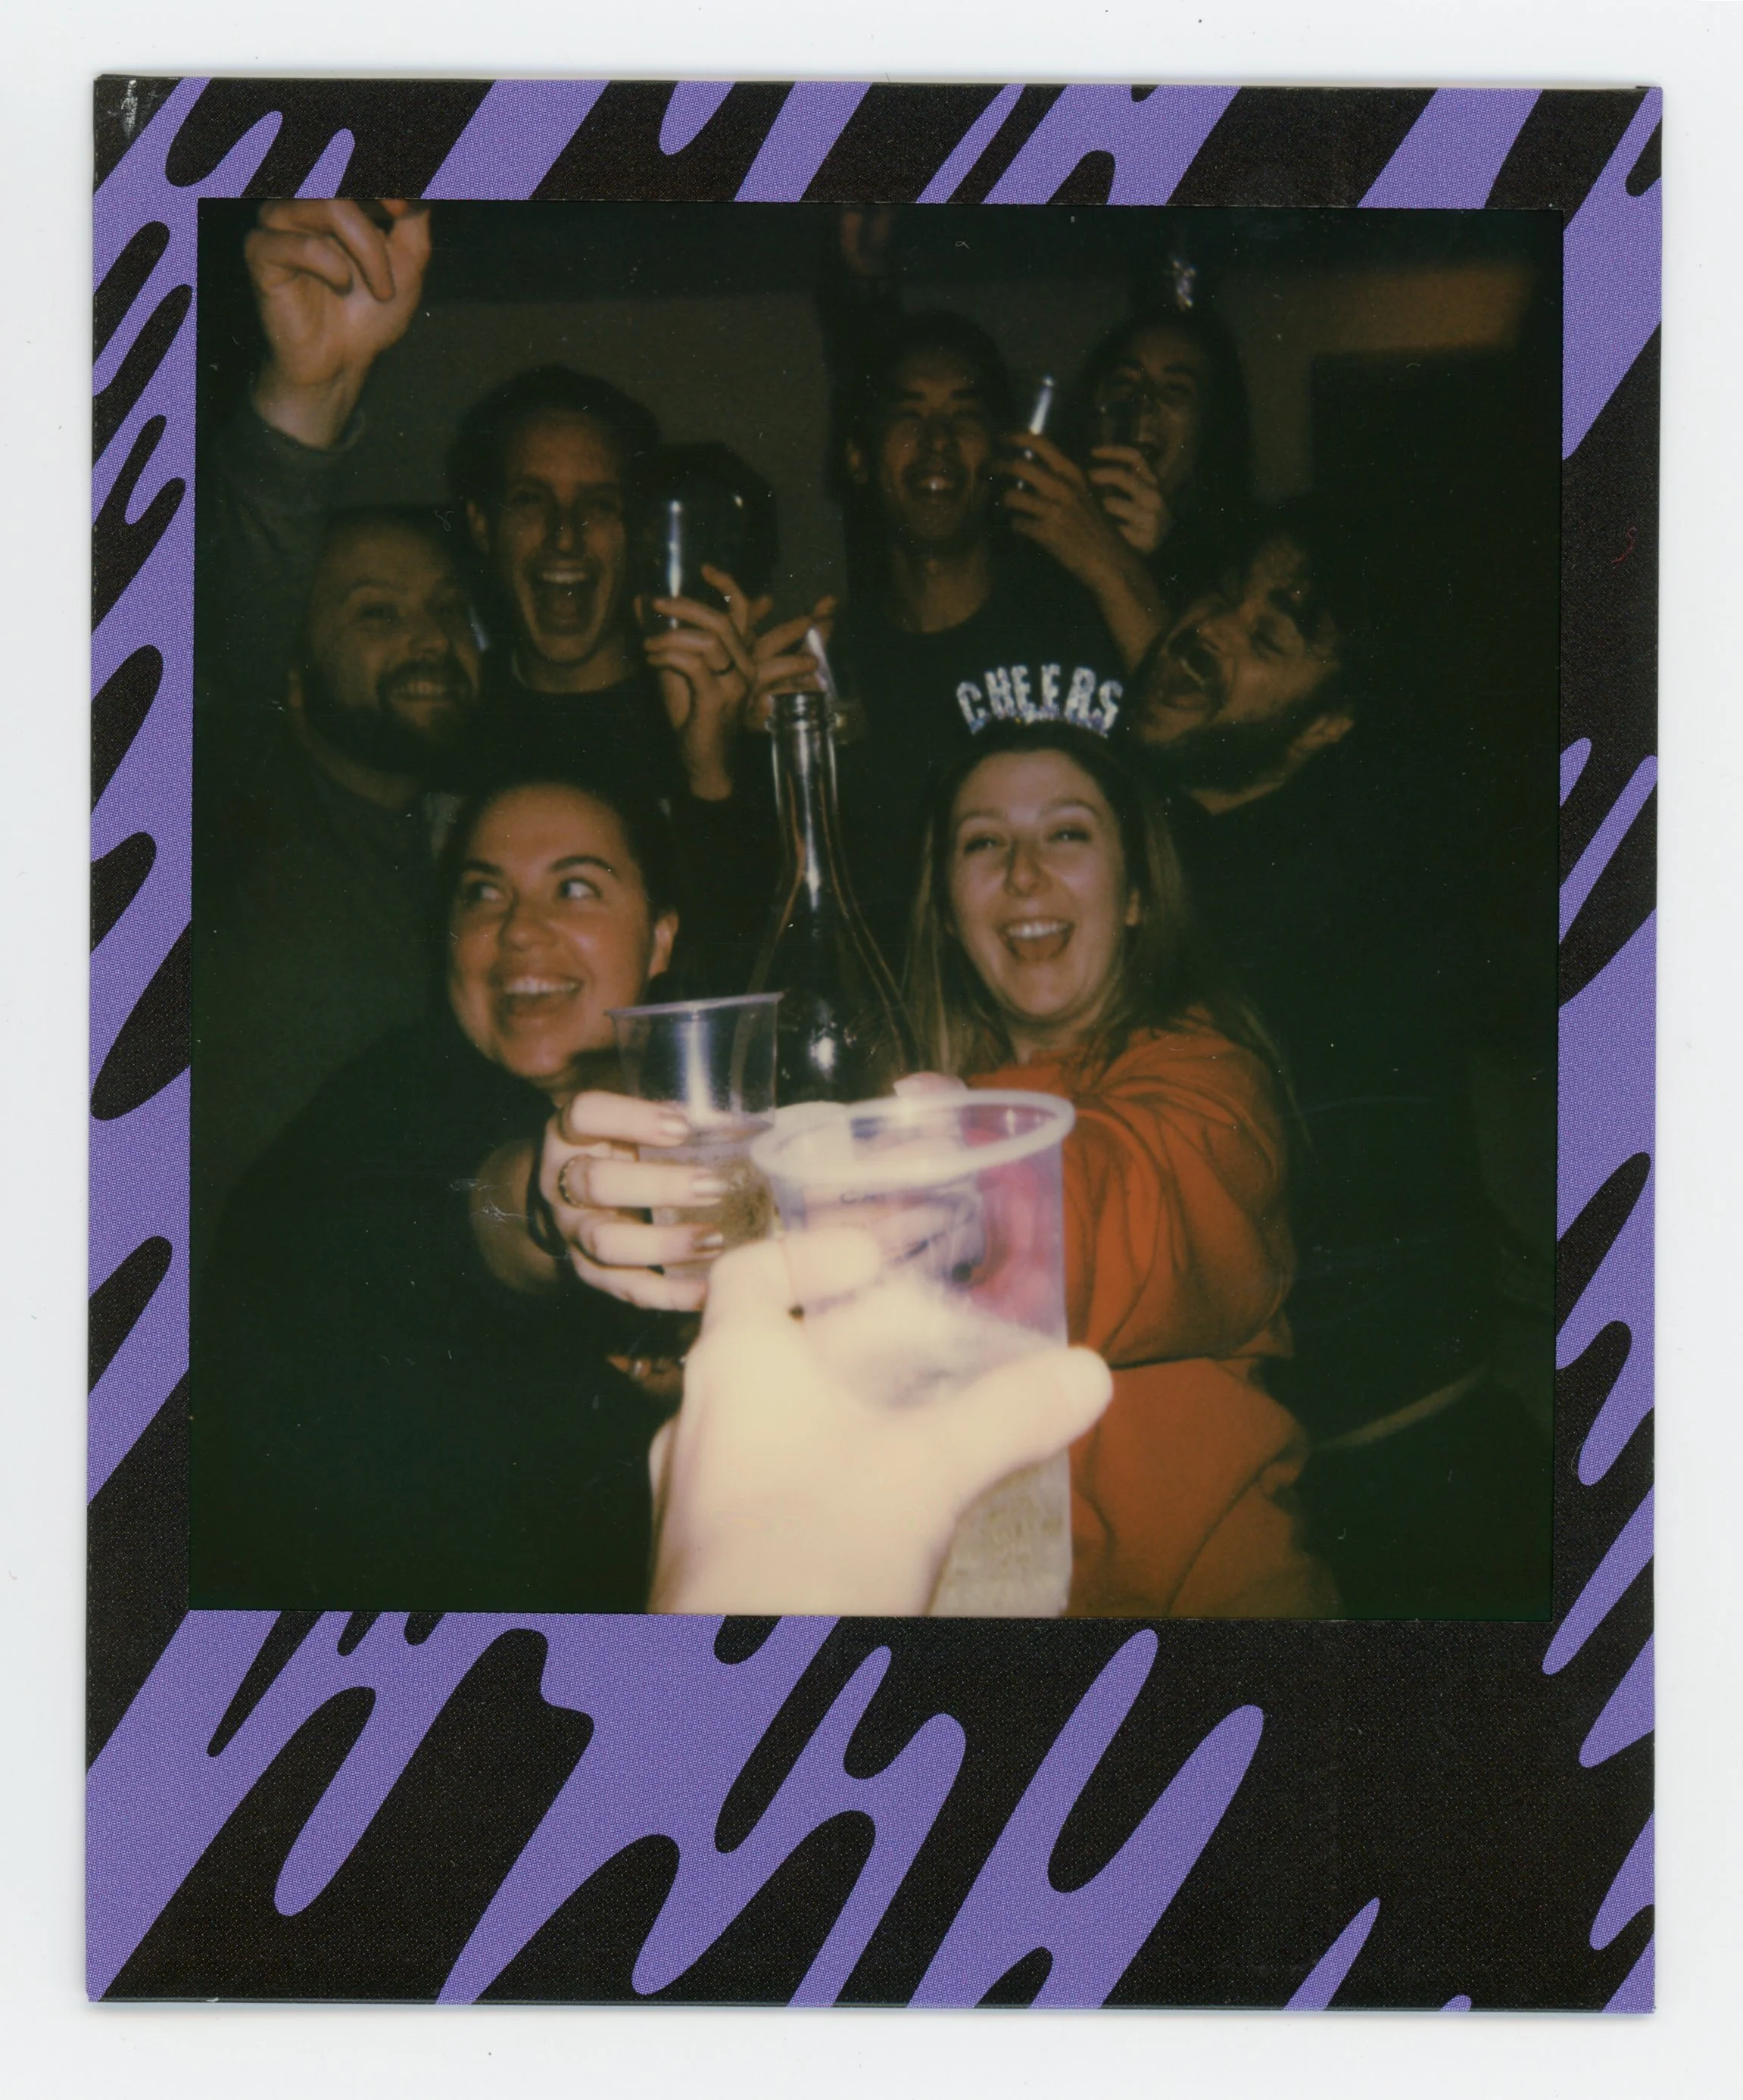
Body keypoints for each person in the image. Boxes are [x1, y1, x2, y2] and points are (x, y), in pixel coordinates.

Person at [191, 755, 1110, 1612]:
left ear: (661, 937)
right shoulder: (381, 1101)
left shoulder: (727, 1136)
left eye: (576, 886)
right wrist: (548, 1211)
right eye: (483, 894)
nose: (520, 931)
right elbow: (398, 1220)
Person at [1124, 507, 1549, 1617]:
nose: (1211, 629)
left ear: (1325, 730)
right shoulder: (1171, 844)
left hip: (1412, 1494)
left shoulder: (1342, 876)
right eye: (1219, 592)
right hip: (1285, 1481)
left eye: (1269, 639)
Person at [903, 721, 1335, 1618]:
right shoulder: (912, 1101)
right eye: (983, 842)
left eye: (1067, 833)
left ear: (1137, 895)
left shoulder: (1209, 1076)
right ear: (947, 910)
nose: (1024, 873)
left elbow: (1131, 1205)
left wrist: (957, 1179)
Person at [809, 313, 1140, 960]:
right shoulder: (826, 665)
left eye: (964, 416)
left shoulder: (1082, 622)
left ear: (1003, 448)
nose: (937, 441)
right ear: (858, 456)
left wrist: (1113, 565)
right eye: (908, 416)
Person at [1062, 298, 1255, 614]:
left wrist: (1167, 555)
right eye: (1125, 381)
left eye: (1175, 388)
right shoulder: (1047, 534)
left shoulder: (1241, 567)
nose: (1143, 401)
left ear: (1211, 423)